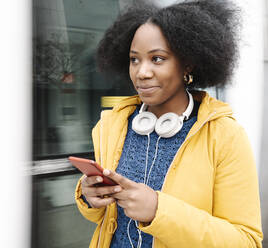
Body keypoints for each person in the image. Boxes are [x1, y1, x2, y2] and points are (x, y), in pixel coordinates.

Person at [74, 0, 263, 247]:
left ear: (188, 64)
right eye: (134, 59)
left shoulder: (225, 136)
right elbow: (105, 217)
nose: (141, 72)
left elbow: (246, 241)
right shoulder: (114, 125)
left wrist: (158, 211)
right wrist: (90, 197)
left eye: (157, 59)